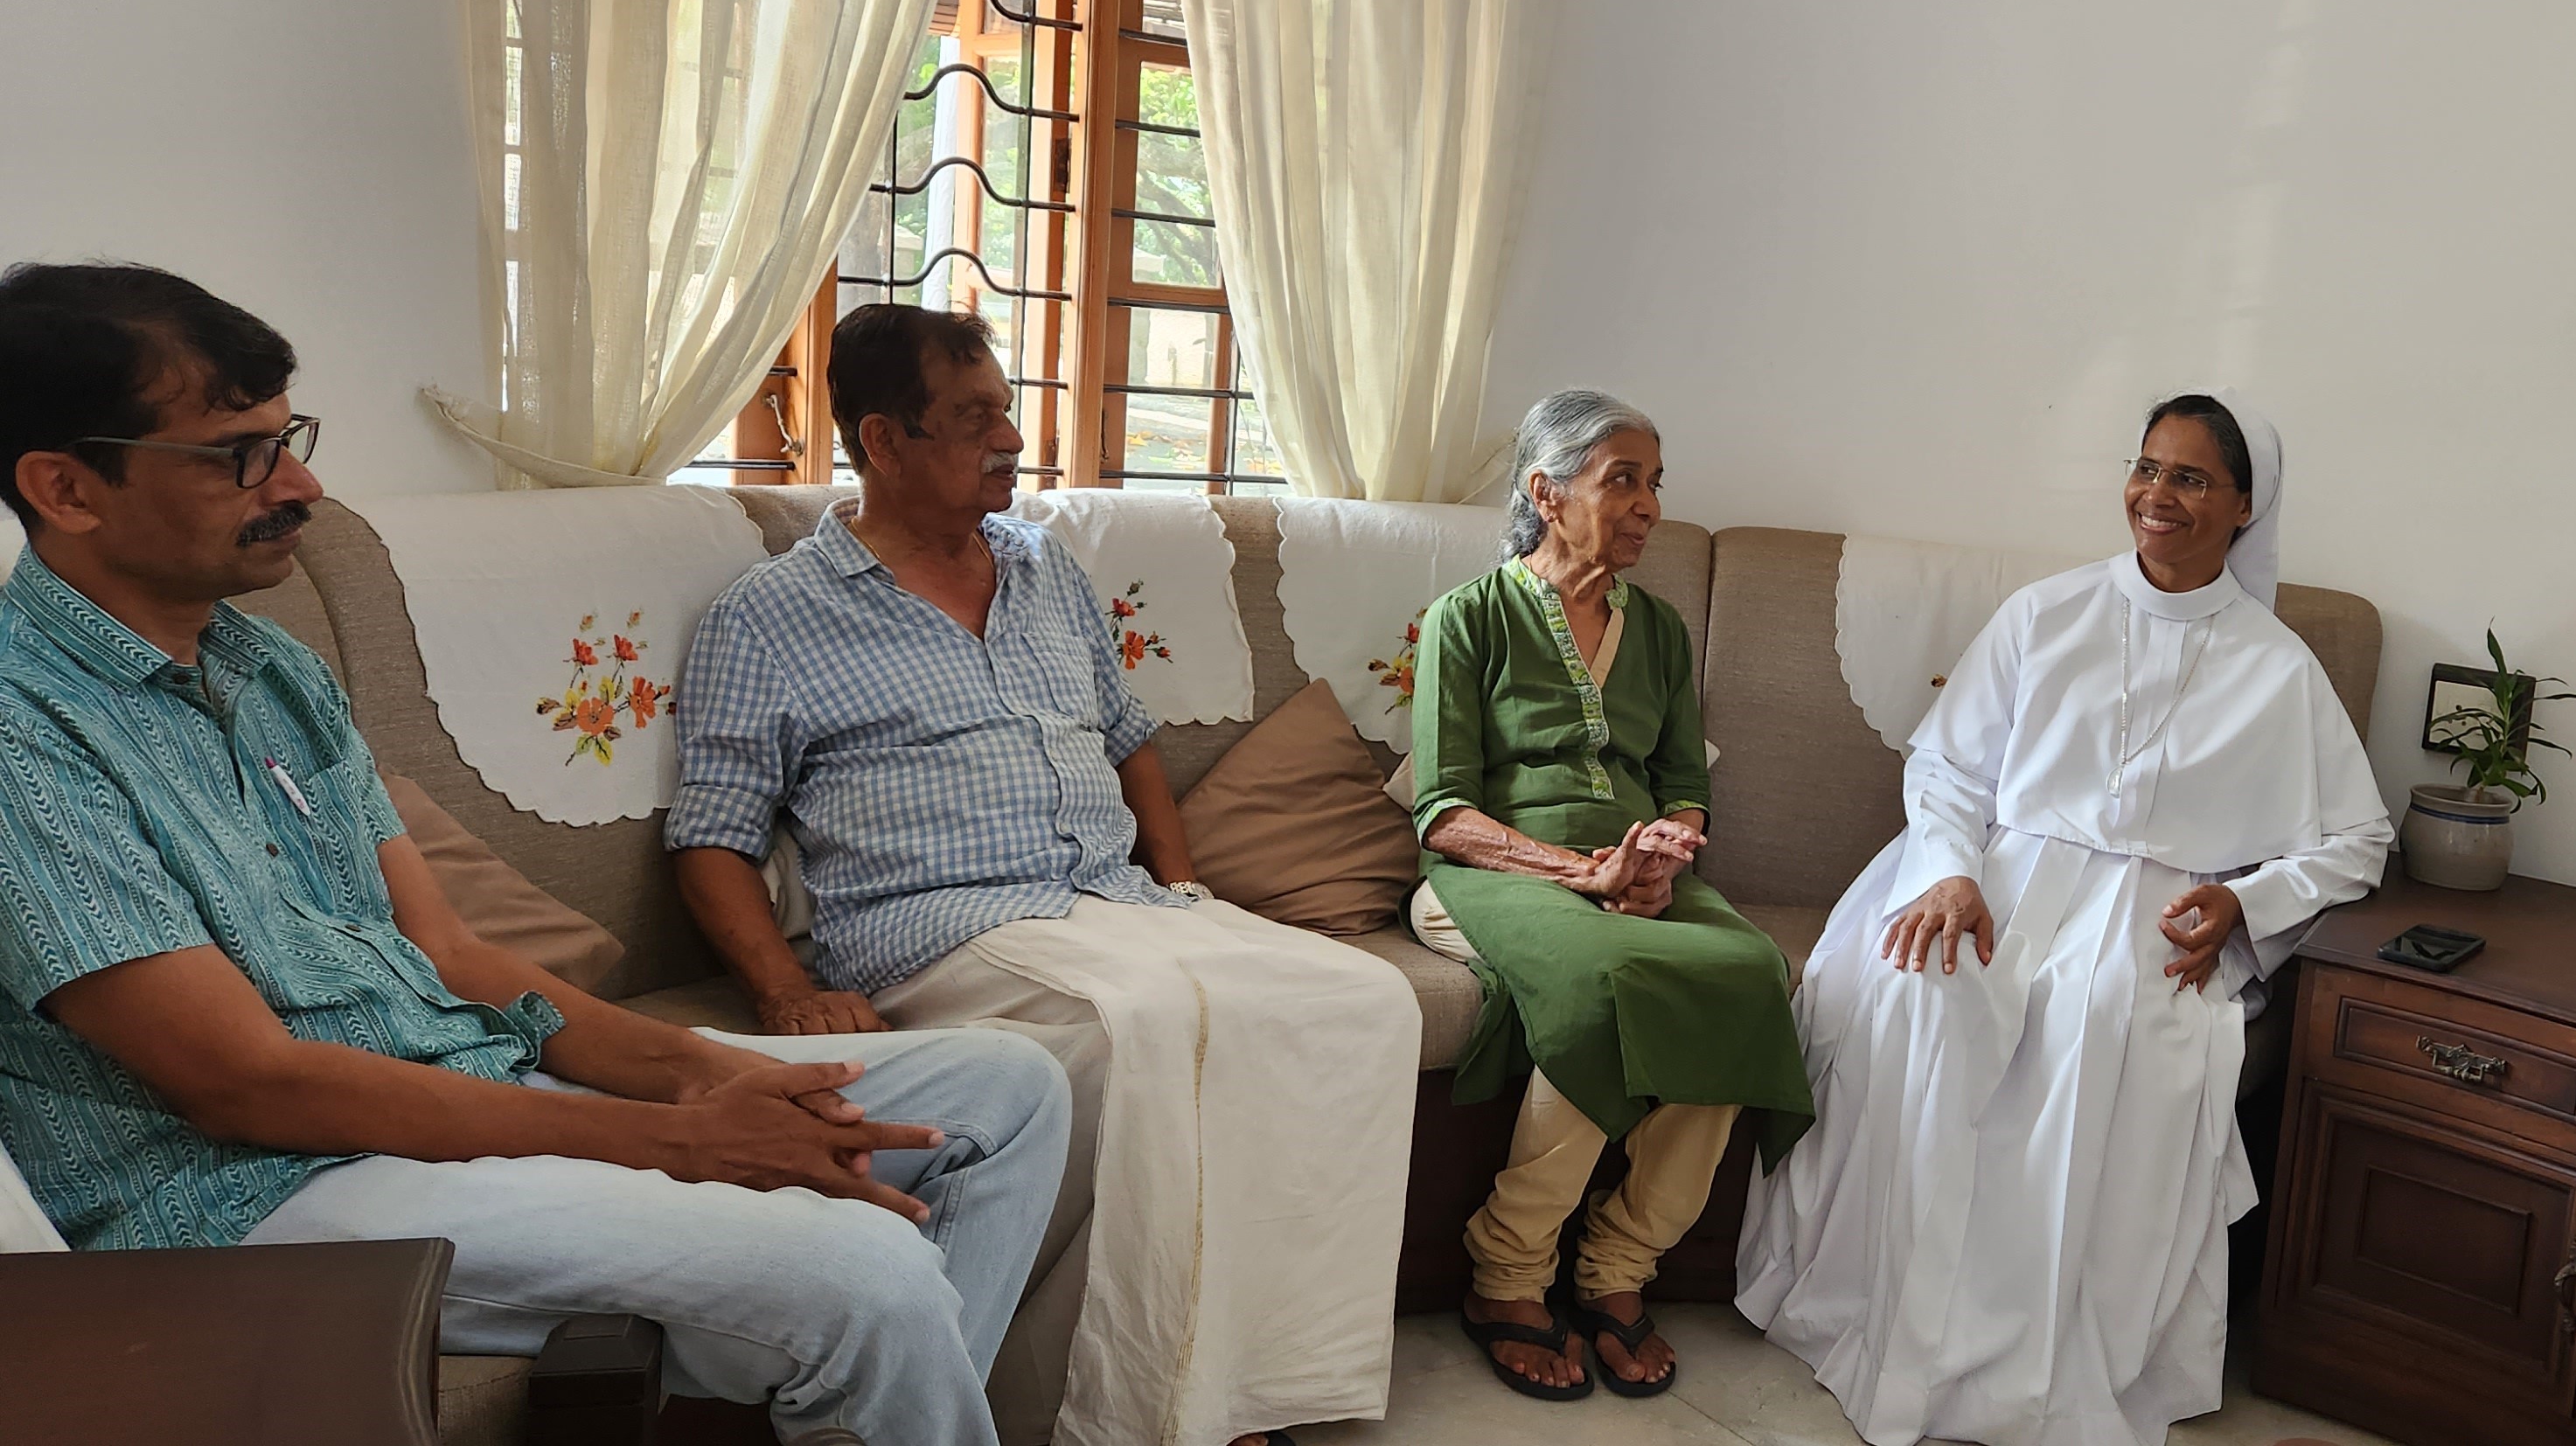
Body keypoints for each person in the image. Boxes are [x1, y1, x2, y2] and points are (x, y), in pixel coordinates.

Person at [0, 262, 1076, 1446]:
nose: (300, 485)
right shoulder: (22, 732)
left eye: (287, 437)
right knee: (865, 1271)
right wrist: (681, 1140)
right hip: (253, 1186)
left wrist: (701, 1075)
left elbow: (452, 952)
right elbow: (247, 1082)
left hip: (464, 1080)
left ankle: (864, 1401)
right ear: (65, 487)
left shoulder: (273, 672)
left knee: (1008, 1086)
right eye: (237, 455)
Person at [665, 303, 1417, 1446]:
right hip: (941, 928)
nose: (1010, 439)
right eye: (974, 420)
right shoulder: (769, 618)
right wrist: (782, 991)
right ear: (883, 440)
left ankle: (1258, 1380)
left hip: (1114, 902)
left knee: (1358, 998)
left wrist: (1188, 892)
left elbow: (1130, 742)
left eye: (1007, 412)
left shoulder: (1043, 569)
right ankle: (1106, 1408)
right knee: (1143, 1026)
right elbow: (709, 838)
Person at [1737, 391, 2393, 1446]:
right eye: (2147, 468)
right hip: (1999, 877)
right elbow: (1949, 765)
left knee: (2107, 1030)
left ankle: (2032, 1356)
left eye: (2189, 478)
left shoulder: (2278, 666)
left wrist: (2241, 903)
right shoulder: (2048, 613)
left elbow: (2357, 841)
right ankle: (1896, 1312)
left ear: (2242, 505)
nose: (2157, 495)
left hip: (2152, 909)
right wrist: (1949, 873)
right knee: (1924, 989)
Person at [1406, 387, 1813, 1402]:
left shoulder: (1663, 632)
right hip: (1490, 876)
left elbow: (1684, 781)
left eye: (1654, 483)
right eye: (1621, 479)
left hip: (1632, 876)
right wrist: (1577, 874)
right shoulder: (1468, 619)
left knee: (1748, 972)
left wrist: (1666, 851)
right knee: (1604, 978)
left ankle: (1618, 1266)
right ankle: (1506, 1275)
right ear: (1547, 493)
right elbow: (1443, 812)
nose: (1646, 504)